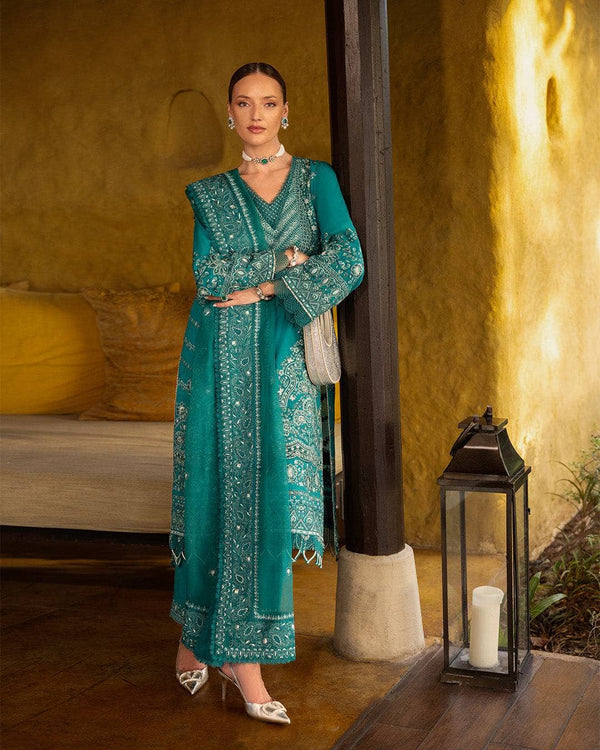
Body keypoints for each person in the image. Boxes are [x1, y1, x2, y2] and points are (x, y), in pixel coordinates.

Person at [169, 62, 364, 725]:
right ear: (230, 114)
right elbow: (208, 276)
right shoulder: (210, 194)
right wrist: (286, 260)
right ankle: (227, 654)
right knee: (217, 494)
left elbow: (348, 259)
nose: (257, 114)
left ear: (286, 111)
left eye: (269, 102)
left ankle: (216, 645)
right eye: (245, 103)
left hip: (281, 361)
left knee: (264, 499)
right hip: (218, 359)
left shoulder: (316, 180)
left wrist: (266, 287)